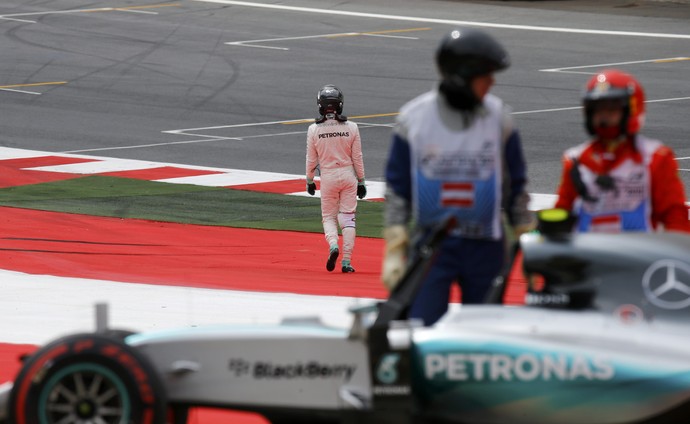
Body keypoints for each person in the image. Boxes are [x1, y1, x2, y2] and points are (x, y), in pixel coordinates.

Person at [381, 28, 534, 325]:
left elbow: (516, 186)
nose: (492, 81)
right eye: (485, 74)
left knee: (483, 336)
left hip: (486, 247)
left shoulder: (499, 118)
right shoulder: (413, 120)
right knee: (420, 329)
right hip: (432, 246)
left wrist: (527, 238)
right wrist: (395, 245)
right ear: (461, 76)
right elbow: (398, 189)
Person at [554, 69, 690, 233]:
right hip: (588, 256)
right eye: (598, 110)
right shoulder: (575, 160)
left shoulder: (655, 158)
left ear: (631, 110)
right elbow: (560, 216)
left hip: (639, 256)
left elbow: (675, 219)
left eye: (611, 110)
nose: (604, 116)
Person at [306, 84, 367, 273]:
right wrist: (361, 181)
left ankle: (333, 245)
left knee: (329, 218)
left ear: (320, 106)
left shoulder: (314, 130)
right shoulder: (352, 127)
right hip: (348, 175)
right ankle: (346, 262)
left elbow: (311, 159)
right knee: (348, 219)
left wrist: (309, 180)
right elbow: (357, 157)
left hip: (328, 176)